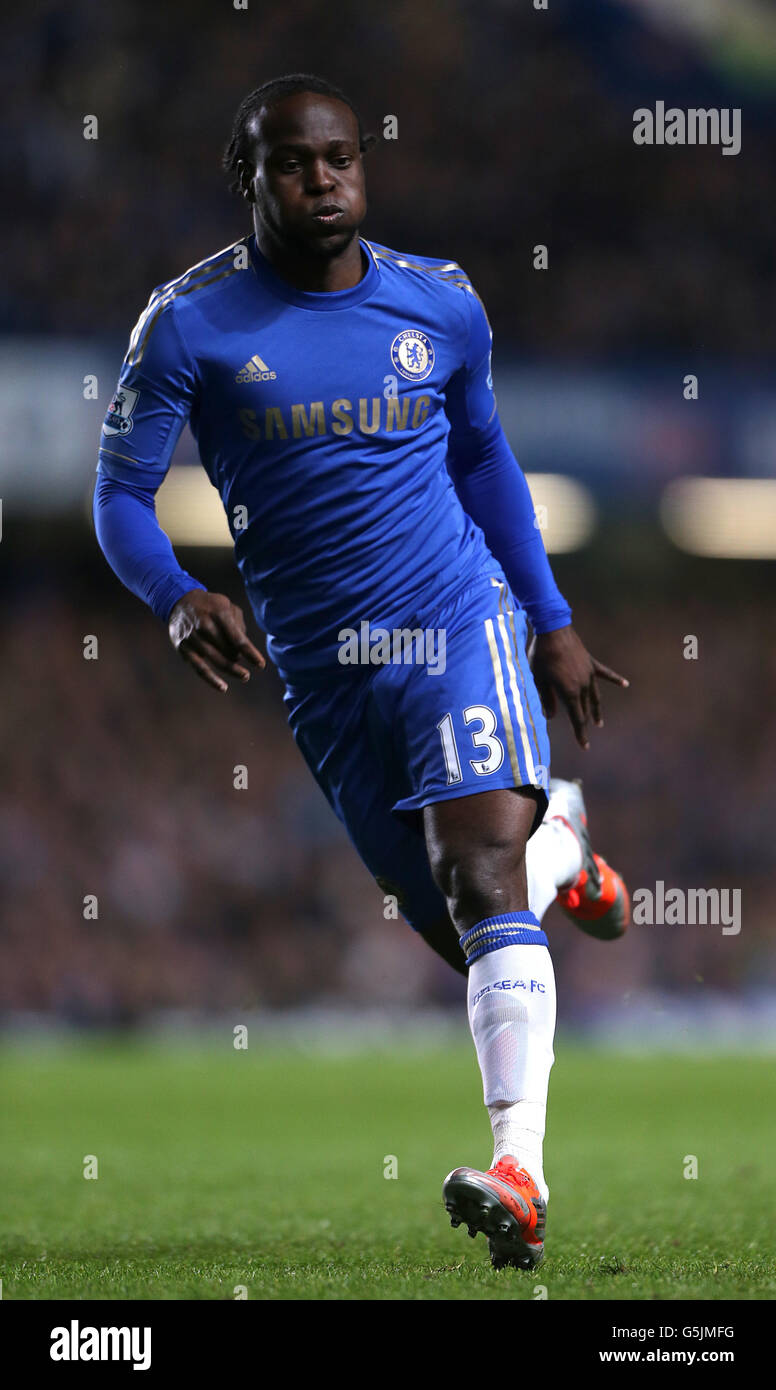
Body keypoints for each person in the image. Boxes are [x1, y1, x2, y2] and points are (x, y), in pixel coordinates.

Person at [93, 73, 629, 1270]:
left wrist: (550, 617)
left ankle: (520, 1174)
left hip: (453, 619)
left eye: (341, 158)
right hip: (322, 673)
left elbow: (486, 459)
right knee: (471, 918)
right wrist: (177, 599)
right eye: (294, 163)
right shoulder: (186, 325)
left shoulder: (440, 305)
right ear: (248, 180)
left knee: (473, 862)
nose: (324, 179)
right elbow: (120, 497)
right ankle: (564, 852)